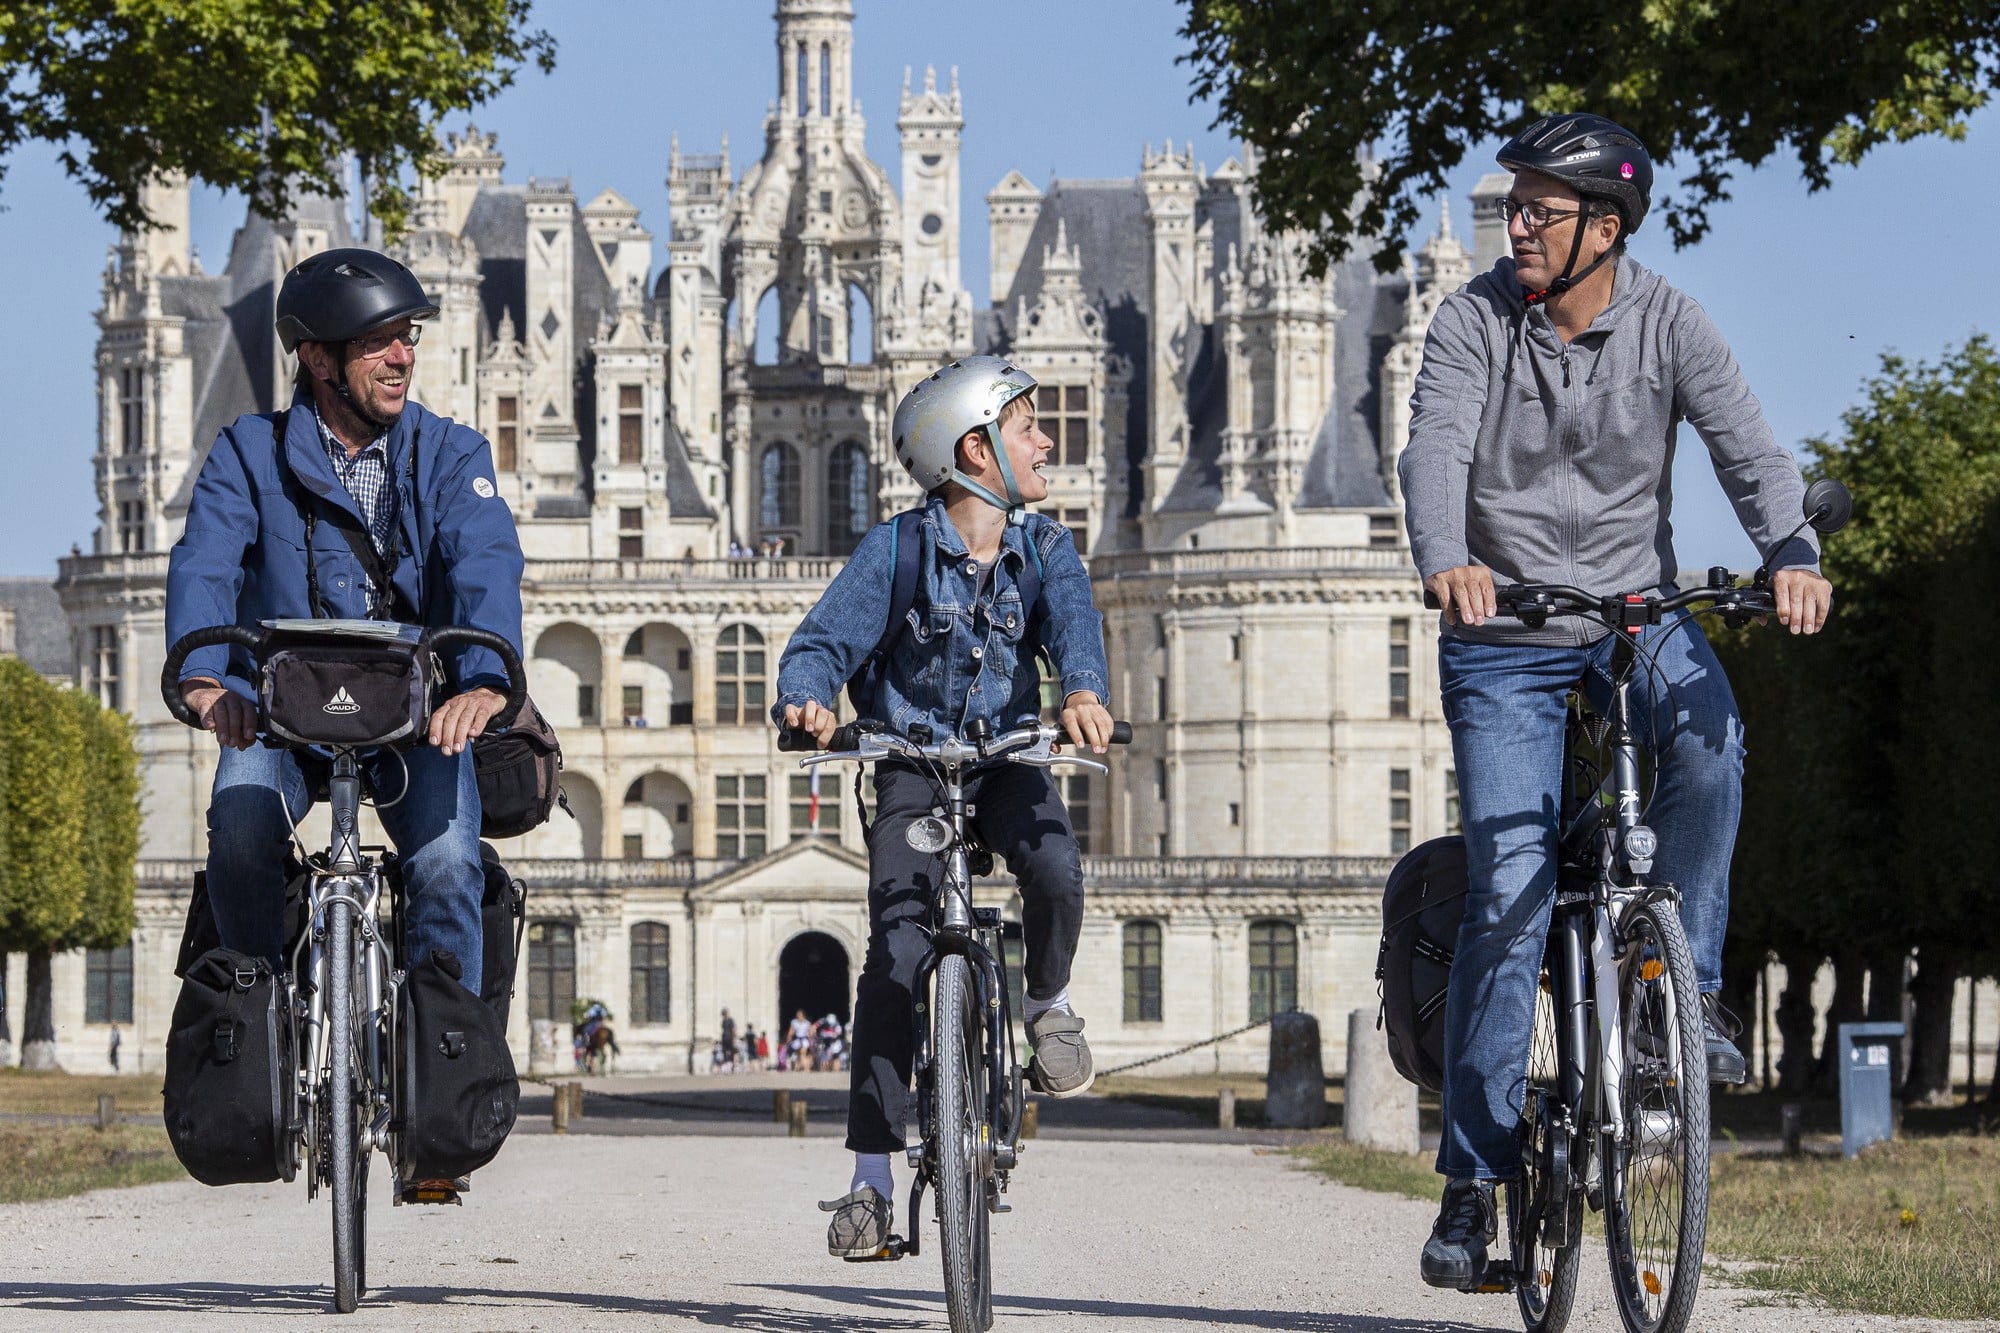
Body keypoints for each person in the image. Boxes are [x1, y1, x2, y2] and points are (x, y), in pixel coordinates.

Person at [1397, 114, 1835, 1288]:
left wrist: (1788, 549)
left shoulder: (1671, 322)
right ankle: (1471, 1182)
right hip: (1503, 635)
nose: (1516, 224)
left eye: (1539, 208)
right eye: (1513, 206)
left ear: (1605, 226)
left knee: (1711, 741)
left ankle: (1673, 1002)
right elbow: (1431, 448)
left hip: (1636, 616)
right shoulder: (1471, 320)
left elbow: (1746, 449)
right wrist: (1446, 552)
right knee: (1507, 884)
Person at [774, 353, 1115, 1259]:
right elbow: (819, 644)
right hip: (913, 766)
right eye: (1028, 424)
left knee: (1054, 868)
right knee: (893, 957)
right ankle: (871, 1183)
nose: (1046, 438)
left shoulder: (1046, 550)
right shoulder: (893, 551)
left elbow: (1076, 627)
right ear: (975, 448)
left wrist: (1081, 691)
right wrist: (807, 699)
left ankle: (1045, 1000)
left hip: (1004, 760)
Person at [166, 246, 525, 1026]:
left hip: (413, 720)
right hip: (280, 716)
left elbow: (485, 562)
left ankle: (444, 1067)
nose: (404, 356)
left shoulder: (450, 453)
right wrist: (200, 678)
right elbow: (206, 563)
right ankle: (261, 1024)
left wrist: (485, 678)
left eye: (409, 337)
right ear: (317, 358)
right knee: (241, 831)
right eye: (380, 341)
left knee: (447, 863)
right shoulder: (246, 452)